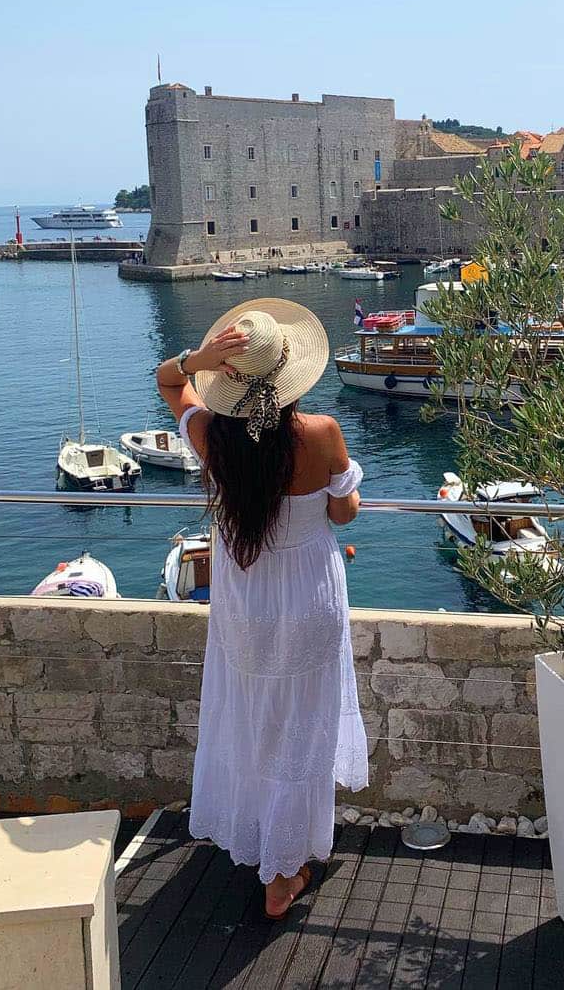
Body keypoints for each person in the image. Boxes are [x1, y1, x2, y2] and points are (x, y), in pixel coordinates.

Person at [156, 298, 367, 918]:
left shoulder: (208, 437)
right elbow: (343, 511)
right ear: (289, 373)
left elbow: (168, 381)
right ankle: (282, 869)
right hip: (308, 593)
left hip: (244, 597)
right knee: (305, 720)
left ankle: (264, 840)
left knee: (254, 714)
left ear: (226, 382)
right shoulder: (321, 433)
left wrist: (196, 358)